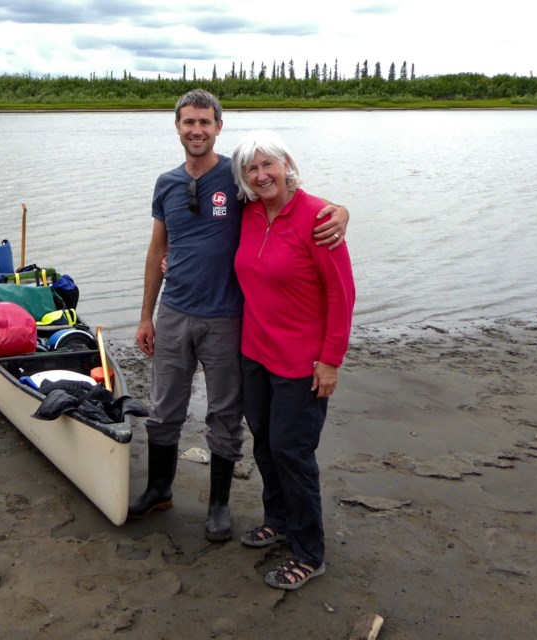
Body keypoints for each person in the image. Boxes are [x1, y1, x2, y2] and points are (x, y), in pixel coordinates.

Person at [131, 89, 350, 543]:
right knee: (163, 408)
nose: (196, 130)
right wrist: (145, 315)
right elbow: (157, 251)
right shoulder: (165, 183)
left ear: (218, 128)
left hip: (228, 319)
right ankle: (158, 489)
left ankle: (218, 507)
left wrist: (342, 212)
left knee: (225, 414)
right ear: (176, 127)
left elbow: (287, 201)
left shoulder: (238, 177)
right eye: (188, 122)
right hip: (174, 312)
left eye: (205, 123)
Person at [231, 129, 355, 590]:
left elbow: (342, 295)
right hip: (255, 353)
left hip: (302, 362)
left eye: (269, 165)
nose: (262, 175)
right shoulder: (246, 214)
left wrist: (331, 360)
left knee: (293, 451)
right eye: (252, 168)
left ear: (287, 165)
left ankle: (309, 551)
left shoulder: (318, 218)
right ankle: (278, 519)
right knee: (264, 440)